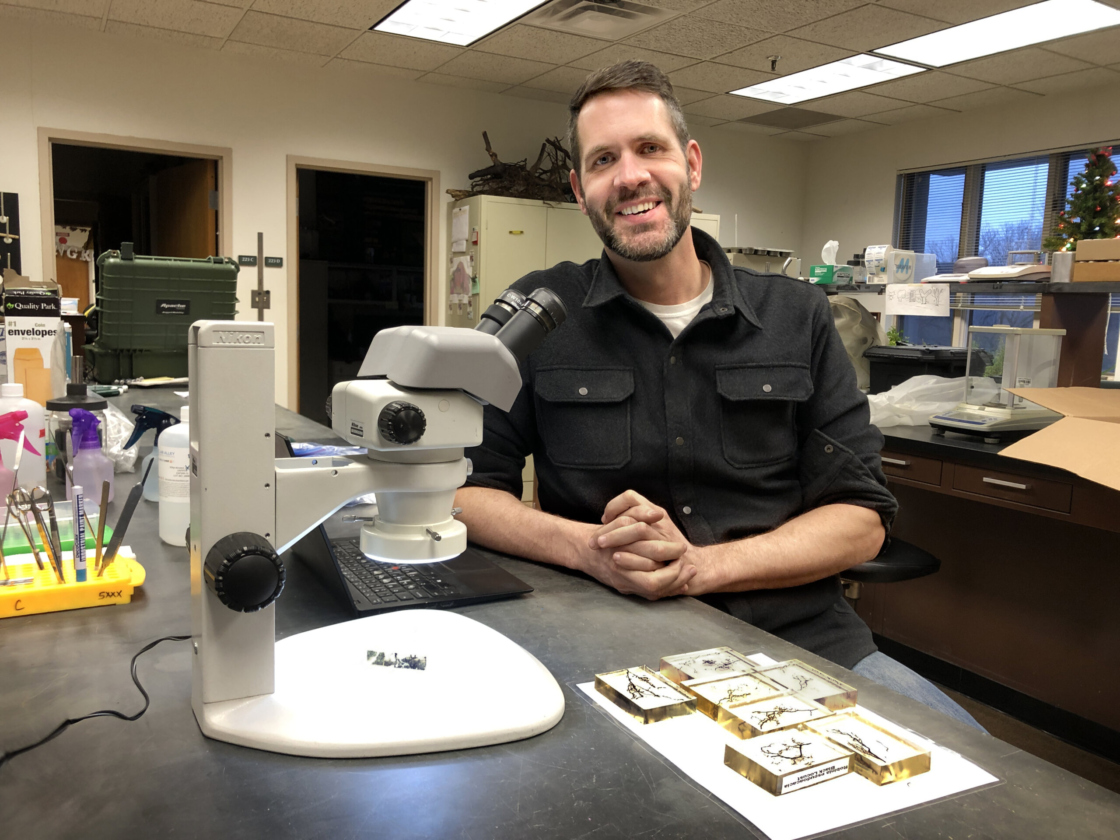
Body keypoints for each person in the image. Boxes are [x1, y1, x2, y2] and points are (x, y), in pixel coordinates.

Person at [454, 60, 982, 730]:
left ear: (692, 164)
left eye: (650, 148)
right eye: (603, 159)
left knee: (984, 776)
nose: (630, 176)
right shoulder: (543, 312)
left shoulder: (799, 316)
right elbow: (465, 489)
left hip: (804, 645)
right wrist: (585, 548)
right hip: (602, 649)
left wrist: (699, 569)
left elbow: (861, 518)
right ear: (580, 189)